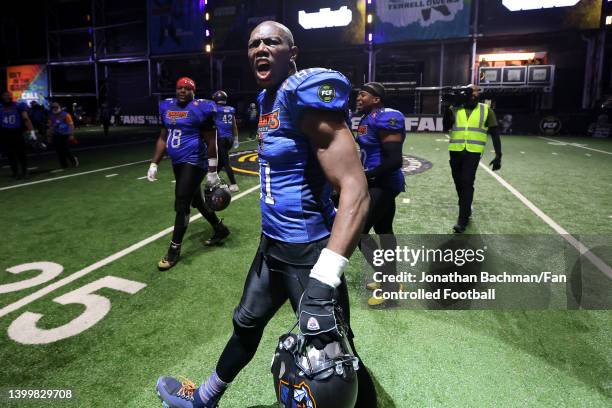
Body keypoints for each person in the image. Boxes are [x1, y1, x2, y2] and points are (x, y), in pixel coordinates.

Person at [156, 21, 377, 407]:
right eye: (253, 42)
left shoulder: (302, 94)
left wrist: (325, 277)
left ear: (292, 53)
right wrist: (224, 194)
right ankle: (205, 398)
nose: (261, 47)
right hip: (272, 245)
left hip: (308, 251)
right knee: (245, 324)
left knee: (334, 355)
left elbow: (355, 190)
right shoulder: (266, 99)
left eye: (272, 42)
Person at [147, 77, 230, 271]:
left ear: (193, 91)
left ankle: (174, 250)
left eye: (187, 88)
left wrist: (211, 171)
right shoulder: (166, 107)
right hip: (178, 161)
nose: (182, 91)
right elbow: (163, 136)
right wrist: (154, 163)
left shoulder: (201, 108)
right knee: (197, 201)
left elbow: (211, 141)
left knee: (182, 202)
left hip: (195, 161)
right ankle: (220, 229)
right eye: (179, 88)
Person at [355, 82, 406, 307]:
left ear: (376, 99)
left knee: (358, 232)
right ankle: (391, 279)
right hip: (377, 182)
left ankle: (390, 285)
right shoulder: (367, 118)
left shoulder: (387, 116)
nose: (358, 98)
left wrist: (367, 177)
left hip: (383, 183)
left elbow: (395, 160)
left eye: (363, 95)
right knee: (384, 231)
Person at [443, 84, 502, 233]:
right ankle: (466, 207)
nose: (473, 93)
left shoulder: (486, 110)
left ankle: (462, 220)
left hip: (473, 152)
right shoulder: (455, 108)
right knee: (459, 184)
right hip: (455, 151)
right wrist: (449, 107)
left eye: (475, 90)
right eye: (470, 91)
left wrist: (498, 155)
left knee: (467, 182)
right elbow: (445, 127)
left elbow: (495, 133)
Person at [0, 91, 36, 179]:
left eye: (7, 95)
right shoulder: (3, 106)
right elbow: (25, 118)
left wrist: (32, 131)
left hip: (16, 132)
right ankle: (17, 172)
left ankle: (22, 171)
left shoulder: (18, 105)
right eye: (5, 95)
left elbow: (26, 119)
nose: (7, 97)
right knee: (11, 154)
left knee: (20, 153)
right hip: (5, 133)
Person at [211, 90, 239, 192]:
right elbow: (234, 125)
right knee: (222, 160)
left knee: (225, 161)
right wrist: (236, 138)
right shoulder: (231, 109)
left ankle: (234, 183)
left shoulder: (215, 110)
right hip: (230, 139)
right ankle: (213, 178)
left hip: (221, 138)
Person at [47, 102, 78, 169]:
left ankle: (73, 161)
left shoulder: (65, 115)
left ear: (59, 107)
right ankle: (64, 165)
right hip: (56, 135)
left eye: (56, 107)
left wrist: (71, 134)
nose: (55, 109)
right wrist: (49, 136)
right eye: (53, 107)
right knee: (59, 151)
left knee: (66, 149)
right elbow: (50, 126)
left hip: (65, 134)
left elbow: (71, 124)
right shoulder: (51, 116)